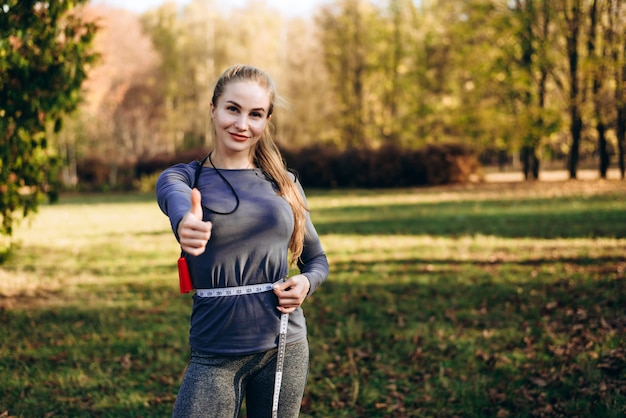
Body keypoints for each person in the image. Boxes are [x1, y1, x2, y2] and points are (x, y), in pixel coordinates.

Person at [156, 64, 329, 418]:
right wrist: (185, 222)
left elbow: (318, 260)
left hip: (285, 343)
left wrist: (306, 283)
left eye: (255, 114)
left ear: (266, 121)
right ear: (213, 108)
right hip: (215, 352)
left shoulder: (285, 183)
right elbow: (175, 201)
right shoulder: (184, 178)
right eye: (232, 109)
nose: (242, 124)